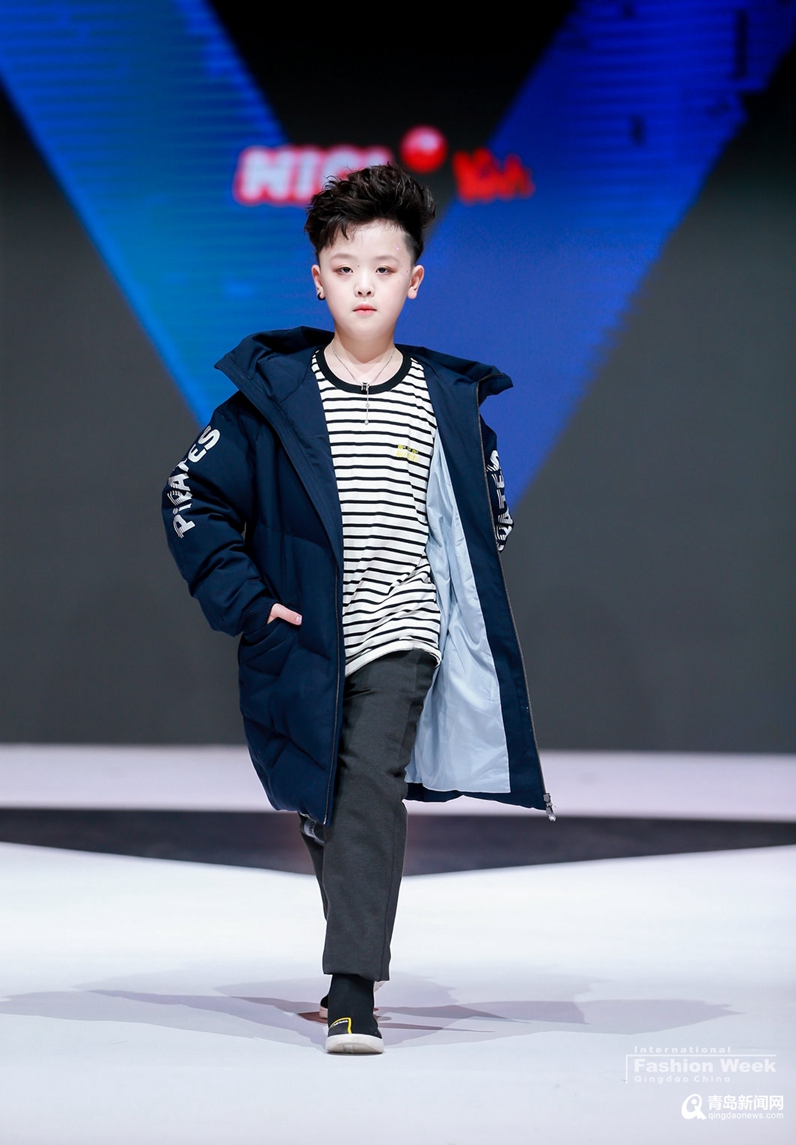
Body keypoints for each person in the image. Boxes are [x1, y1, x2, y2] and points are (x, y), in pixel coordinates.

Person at [162, 164, 553, 1055]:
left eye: (384, 268)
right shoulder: (270, 401)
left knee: (367, 779)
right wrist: (252, 604)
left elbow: (487, 519)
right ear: (318, 280)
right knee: (332, 795)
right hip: (304, 635)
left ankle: (353, 992)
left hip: (405, 627)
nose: (364, 285)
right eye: (345, 269)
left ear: (415, 280)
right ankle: (329, 849)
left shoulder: (449, 403)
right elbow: (191, 495)